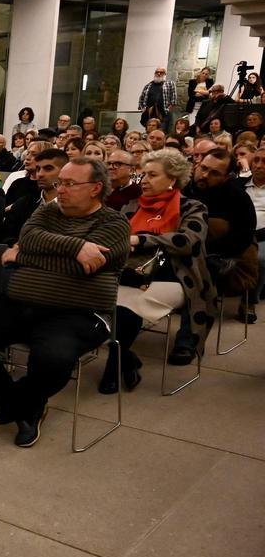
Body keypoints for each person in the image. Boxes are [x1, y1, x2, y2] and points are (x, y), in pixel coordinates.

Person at [0, 158, 130, 446]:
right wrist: (76, 246)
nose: (60, 189)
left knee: (53, 359)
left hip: (78, 313)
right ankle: (18, 406)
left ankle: (21, 404)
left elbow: (80, 267)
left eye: (70, 184)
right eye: (60, 182)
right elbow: (29, 236)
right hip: (21, 302)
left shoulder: (113, 223)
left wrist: (23, 256)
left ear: (96, 188)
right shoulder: (47, 212)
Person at [109, 148, 215, 385]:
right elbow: (114, 238)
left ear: (173, 180)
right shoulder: (132, 206)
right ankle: (124, 360)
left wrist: (141, 239)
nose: (144, 180)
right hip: (130, 274)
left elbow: (187, 241)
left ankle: (113, 367)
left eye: (153, 175)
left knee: (126, 310)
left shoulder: (193, 207)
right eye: (143, 174)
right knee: (100, 304)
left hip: (173, 277)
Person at [187, 148, 258, 299]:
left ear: (226, 177)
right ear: (197, 165)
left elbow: (243, 236)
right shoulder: (185, 188)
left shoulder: (238, 197)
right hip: (185, 250)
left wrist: (207, 253)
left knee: (215, 225)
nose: (205, 175)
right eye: (204, 168)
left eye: (214, 173)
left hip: (223, 255)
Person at [3, 148, 65, 245]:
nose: (40, 174)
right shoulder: (24, 203)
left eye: (48, 169)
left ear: (64, 171)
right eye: (38, 169)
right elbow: (5, 236)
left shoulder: (73, 206)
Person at [232, 147, 265, 322]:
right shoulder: (239, 184)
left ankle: (248, 301)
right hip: (239, 233)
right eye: (256, 160)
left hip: (263, 236)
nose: (259, 165)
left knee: (258, 259)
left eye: (264, 161)